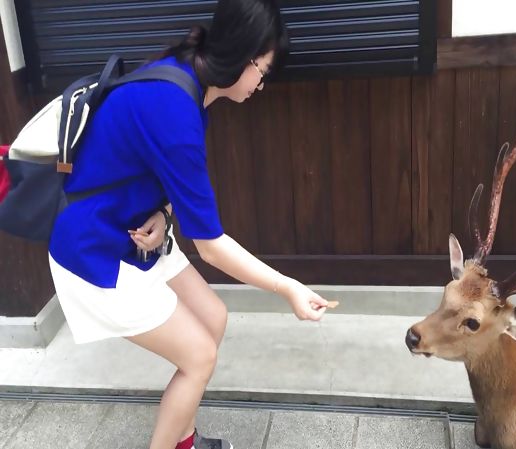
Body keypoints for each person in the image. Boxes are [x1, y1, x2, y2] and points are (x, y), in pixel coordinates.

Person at [47, 1, 330, 448]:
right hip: (94, 249)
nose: (261, 85)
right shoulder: (176, 109)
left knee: (212, 318)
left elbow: (146, 166)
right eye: (263, 72)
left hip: (134, 231)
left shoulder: (185, 80)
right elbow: (211, 246)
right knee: (199, 357)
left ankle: (185, 440)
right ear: (244, 56)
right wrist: (287, 287)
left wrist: (164, 213)